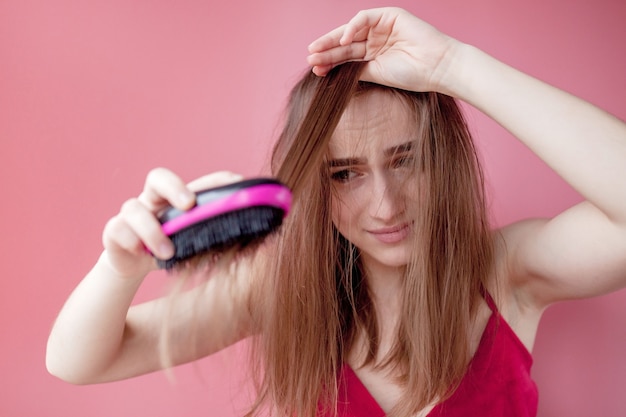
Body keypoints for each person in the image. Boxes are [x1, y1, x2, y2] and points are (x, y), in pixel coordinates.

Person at [46, 7, 626, 417]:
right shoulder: (282, 289)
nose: (385, 204)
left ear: (442, 159)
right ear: (312, 186)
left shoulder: (508, 273)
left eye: (406, 161)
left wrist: (453, 65)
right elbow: (76, 362)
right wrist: (121, 267)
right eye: (345, 174)